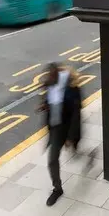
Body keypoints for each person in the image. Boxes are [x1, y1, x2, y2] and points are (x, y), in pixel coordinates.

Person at [37, 63, 83, 206]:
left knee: (74, 149)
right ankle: (57, 188)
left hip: (68, 127)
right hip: (56, 129)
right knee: (52, 160)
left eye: (50, 76)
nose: (48, 80)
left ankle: (78, 150)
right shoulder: (50, 84)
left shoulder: (71, 88)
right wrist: (44, 106)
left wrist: (70, 136)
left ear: (57, 74)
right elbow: (50, 100)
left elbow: (76, 114)